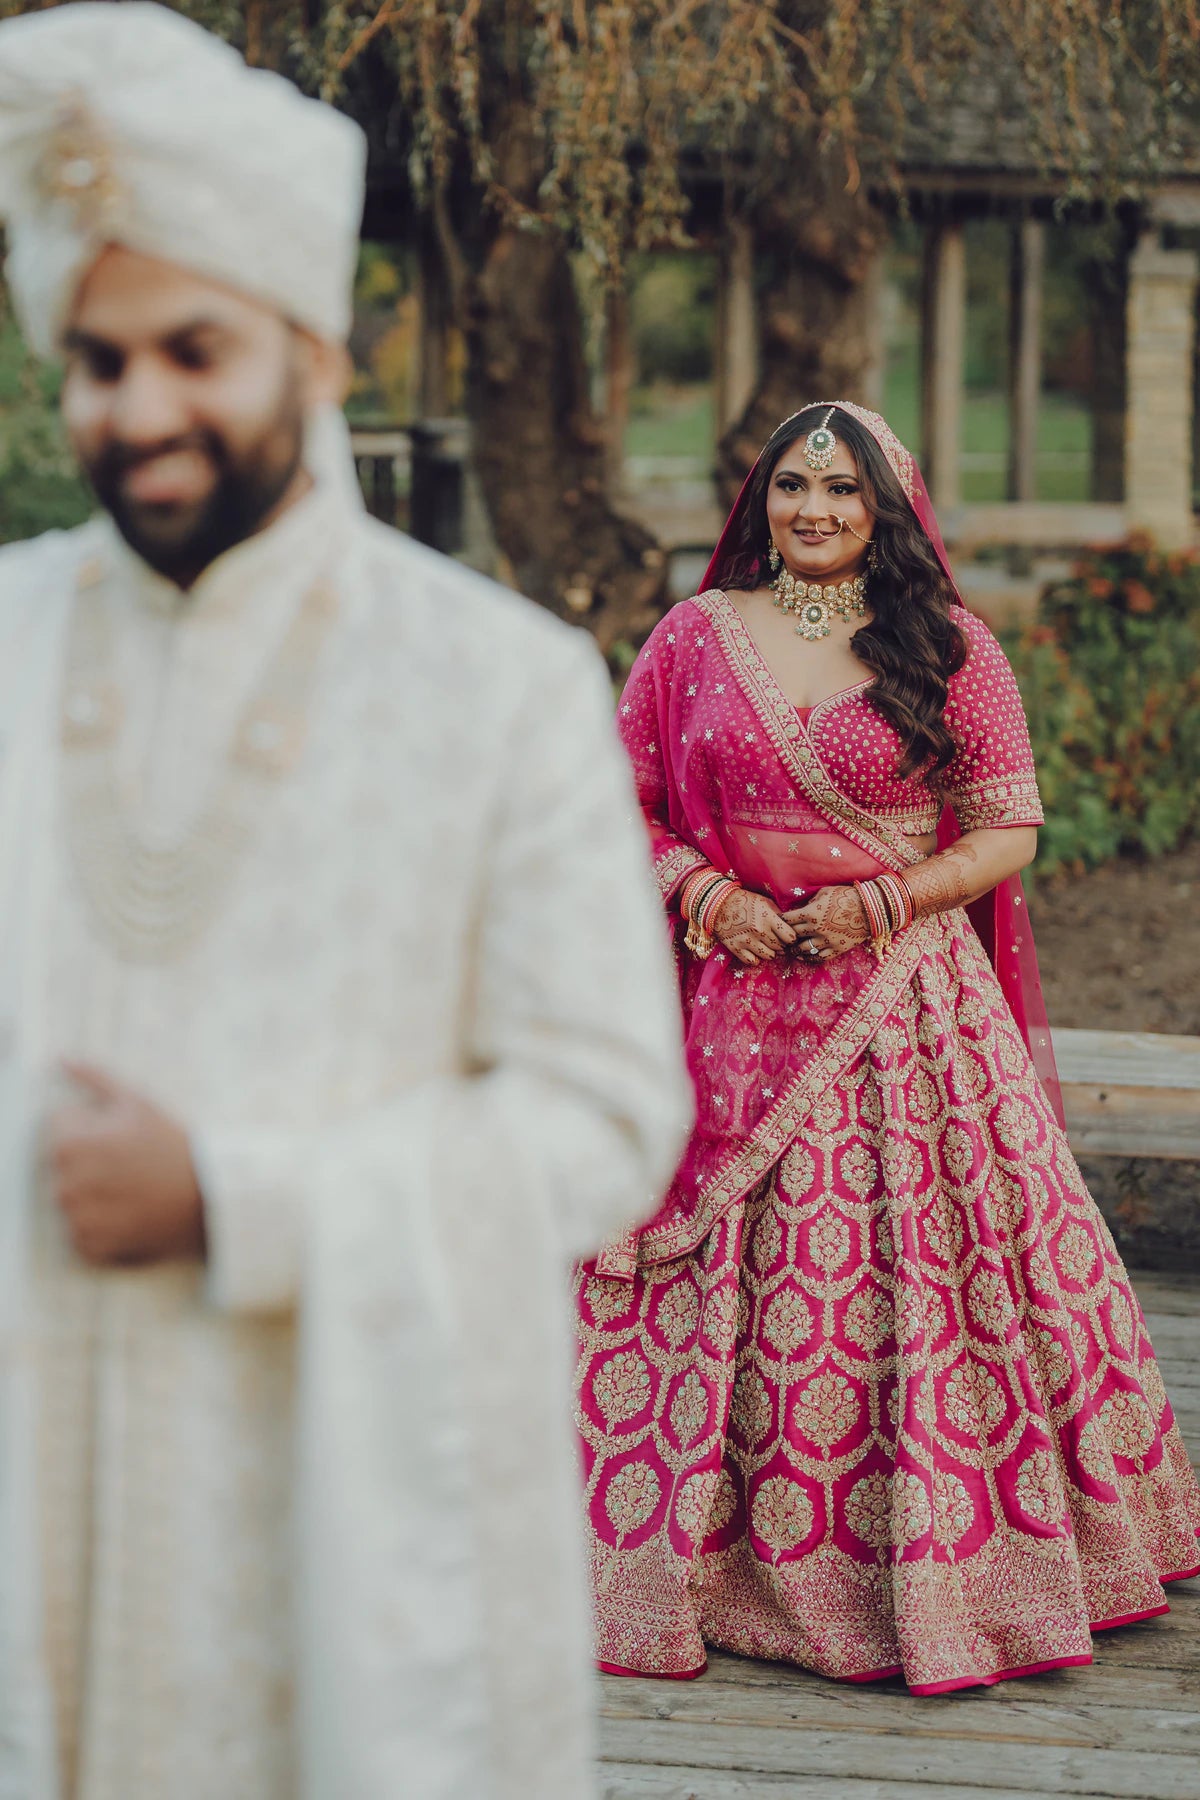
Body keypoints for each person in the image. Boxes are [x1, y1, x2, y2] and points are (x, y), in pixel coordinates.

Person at [0, 7, 691, 1798]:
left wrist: (241, 1195)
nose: (138, 408)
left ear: (311, 348)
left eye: (193, 350)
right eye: (95, 360)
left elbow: (608, 1117)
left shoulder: (495, 687)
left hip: (342, 1511)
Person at [576, 401, 1200, 1695]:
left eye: (843, 490)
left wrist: (887, 901)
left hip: (908, 1010)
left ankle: (948, 1566)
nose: (814, 510)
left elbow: (1007, 827)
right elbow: (612, 803)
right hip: (726, 1004)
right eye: (793, 486)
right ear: (760, 500)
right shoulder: (694, 637)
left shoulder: (949, 645)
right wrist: (706, 894)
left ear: (888, 508)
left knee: (928, 1281)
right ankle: (701, 1549)